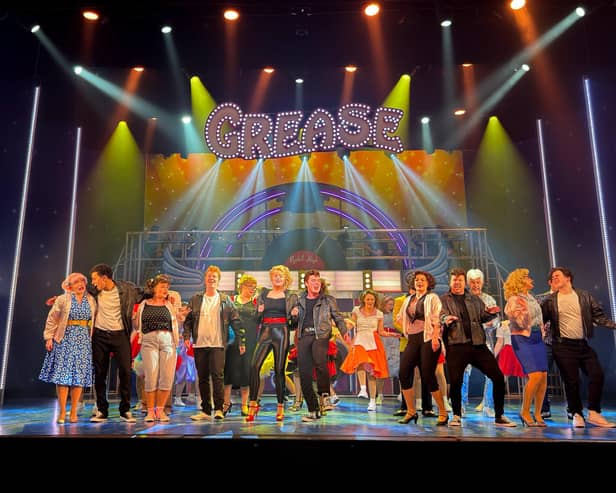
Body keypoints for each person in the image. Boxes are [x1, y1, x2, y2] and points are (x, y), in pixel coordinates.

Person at [541, 266, 616, 428]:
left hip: (582, 344)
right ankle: (577, 413)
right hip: (562, 345)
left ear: (568, 278)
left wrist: (614, 325)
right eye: (552, 277)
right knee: (572, 381)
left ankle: (594, 413)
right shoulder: (550, 300)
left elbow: (599, 317)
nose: (554, 278)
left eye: (557, 275)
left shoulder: (584, 296)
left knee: (597, 375)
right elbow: (539, 319)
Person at [440, 268, 516, 427]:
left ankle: (499, 415)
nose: (457, 283)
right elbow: (441, 315)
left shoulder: (474, 299)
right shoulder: (444, 299)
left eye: (460, 280)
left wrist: (492, 314)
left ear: (463, 282)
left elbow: (483, 316)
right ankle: (456, 415)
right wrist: (445, 318)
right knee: (456, 381)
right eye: (455, 280)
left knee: (497, 376)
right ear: (450, 282)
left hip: (478, 344)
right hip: (456, 345)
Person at [184, 265, 242, 421]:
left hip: (217, 344)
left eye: (214, 277)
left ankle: (218, 409)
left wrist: (241, 340)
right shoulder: (196, 299)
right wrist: (186, 336)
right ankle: (205, 410)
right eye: (209, 276)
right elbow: (188, 321)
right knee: (202, 377)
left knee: (217, 376)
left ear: (218, 281)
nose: (211, 279)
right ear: (205, 279)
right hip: (200, 344)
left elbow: (236, 321)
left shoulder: (225, 300)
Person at [39, 273, 96, 424]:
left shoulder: (91, 300)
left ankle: (74, 412)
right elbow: (52, 318)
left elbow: (94, 320)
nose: (81, 284)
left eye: (82, 281)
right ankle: (63, 411)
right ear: (69, 286)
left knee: (79, 378)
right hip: (64, 339)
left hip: (83, 341)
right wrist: (49, 337)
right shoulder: (63, 299)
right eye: (77, 282)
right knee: (63, 377)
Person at [89, 263, 142, 423]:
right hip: (100, 336)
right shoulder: (93, 292)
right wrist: (59, 299)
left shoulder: (127, 289)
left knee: (126, 371)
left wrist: (166, 296)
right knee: (100, 373)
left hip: (120, 335)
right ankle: (102, 410)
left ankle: (124, 410)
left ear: (104, 278)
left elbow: (144, 293)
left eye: (95, 278)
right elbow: (76, 293)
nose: (93, 282)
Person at [295, 269, 350, 422]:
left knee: (320, 361)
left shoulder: (328, 300)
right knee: (304, 374)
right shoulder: (299, 300)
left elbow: (338, 318)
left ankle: (325, 395)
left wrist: (344, 331)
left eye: (318, 281)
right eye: (313, 280)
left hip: (321, 335)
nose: (316, 283)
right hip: (304, 336)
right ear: (306, 283)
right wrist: (293, 314)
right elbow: (292, 323)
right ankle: (313, 410)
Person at [247, 265, 298, 422]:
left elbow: (293, 325)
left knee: (279, 370)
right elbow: (255, 320)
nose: (277, 278)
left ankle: (280, 406)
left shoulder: (291, 296)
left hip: (281, 331)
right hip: (266, 332)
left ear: (285, 279)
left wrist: (295, 316)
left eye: (280, 276)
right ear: (271, 277)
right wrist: (259, 311)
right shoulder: (263, 293)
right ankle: (253, 404)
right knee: (254, 366)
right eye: (275, 275)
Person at [396, 271, 448, 425]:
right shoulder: (408, 300)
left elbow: (437, 318)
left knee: (428, 375)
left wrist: (435, 337)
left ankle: (443, 412)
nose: (419, 282)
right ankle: (411, 411)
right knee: (403, 373)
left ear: (428, 283)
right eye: (417, 280)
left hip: (428, 338)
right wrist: (406, 330)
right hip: (412, 340)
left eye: (422, 280)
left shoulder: (432, 298)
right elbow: (400, 318)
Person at [503, 268, 548, 427]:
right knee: (535, 375)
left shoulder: (531, 297)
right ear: (520, 281)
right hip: (523, 338)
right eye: (528, 277)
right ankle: (525, 411)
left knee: (543, 377)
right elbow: (518, 319)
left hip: (536, 337)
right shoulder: (514, 299)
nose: (531, 280)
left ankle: (537, 413)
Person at [132, 274, 179, 422]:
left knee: (166, 377)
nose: (165, 289)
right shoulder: (144, 304)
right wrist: (133, 319)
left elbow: (176, 324)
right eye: (162, 286)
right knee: (151, 377)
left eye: (167, 287)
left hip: (168, 342)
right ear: (154, 288)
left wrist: (181, 316)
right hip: (149, 341)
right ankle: (150, 412)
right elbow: (136, 325)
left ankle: (161, 410)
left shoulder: (169, 304)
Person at [341, 289, 395, 413]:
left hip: (373, 341)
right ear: (363, 300)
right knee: (359, 362)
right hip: (360, 339)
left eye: (372, 299)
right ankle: (363, 389)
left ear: (375, 300)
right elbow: (351, 325)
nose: (370, 301)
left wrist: (390, 334)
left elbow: (380, 331)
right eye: (368, 299)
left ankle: (372, 401)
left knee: (372, 372)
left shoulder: (379, 314)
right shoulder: (356, 310)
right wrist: (342, 326)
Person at [463, 268, 499, 417]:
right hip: (466, 341)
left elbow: (496, 320)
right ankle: (461, 405)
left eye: (478, 282)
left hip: (485, 342)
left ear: (482, 283)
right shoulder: (463, 299)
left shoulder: (489, 299)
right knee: (463, 373)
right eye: (472, 282)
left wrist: (492, 323)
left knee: (491, 374)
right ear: (468, 283)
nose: (475, 285)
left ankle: (488, 404)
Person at [223, 274, 259, 417]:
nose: (252, 289)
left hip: (250, 341)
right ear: (242, 286)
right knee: (229, 371)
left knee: (246, 372)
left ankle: (244, 405)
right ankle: (226, 403)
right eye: (250, 286)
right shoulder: (231, 301)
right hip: (233, 341)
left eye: (254, 287)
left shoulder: (256, 303)